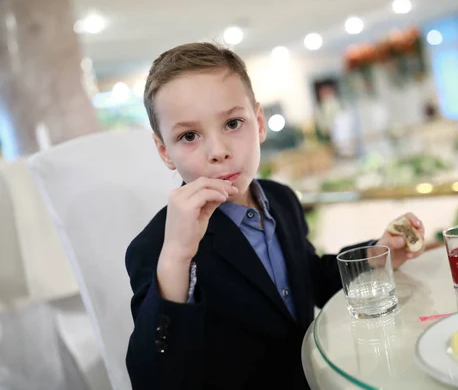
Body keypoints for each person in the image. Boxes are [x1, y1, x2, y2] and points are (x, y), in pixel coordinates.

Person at [125, 42, 426, 389]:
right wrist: (176, 257)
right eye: (189, 135)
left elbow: (307, 277)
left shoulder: (281, 199)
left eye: (233, 123)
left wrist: (373, 255)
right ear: (165, 150)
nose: (218, 151)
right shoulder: (156, 247)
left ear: (259, 123)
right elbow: (152, 380)